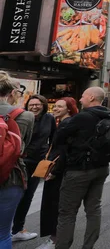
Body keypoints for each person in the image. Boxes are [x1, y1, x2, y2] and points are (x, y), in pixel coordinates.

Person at [53, 87, 110, 249]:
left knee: (67, 213)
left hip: (78, 170)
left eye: (82, 96)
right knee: (94, 209)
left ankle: (62, 246)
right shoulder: (108, 115)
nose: (80, 99)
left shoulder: (82, 117)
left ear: (91, 97)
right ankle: (88, 246)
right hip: (101, 168)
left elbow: (59, 136)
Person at [12, 94, 56, 243]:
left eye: (38, 104)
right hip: (20, 161)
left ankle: (17, 228)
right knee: (14, 194)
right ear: (27, 106)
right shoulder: (22, 117)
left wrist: (48, 158)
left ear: (43, 105)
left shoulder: (49, 119)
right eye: (31, 104)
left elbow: (53, 139)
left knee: (27, 196)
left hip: (38, 163)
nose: (34, 107)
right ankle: (9, 228)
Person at [37, 98, 78, 249]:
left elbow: (63, 151)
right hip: (61, 169)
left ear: (69, 109)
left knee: (53, 203)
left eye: (60, 107)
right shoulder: (66, 122)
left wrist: (54, 171)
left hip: (58, 170)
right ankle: (55, 237)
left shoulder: (66, 125)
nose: (55, 109)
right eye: (55, 106)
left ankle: (54, 239)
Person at [0, 73, 34, 249]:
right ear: (12, 92)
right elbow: (21, 148)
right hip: (11, 177)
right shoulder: (25, 116)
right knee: (3, 233)